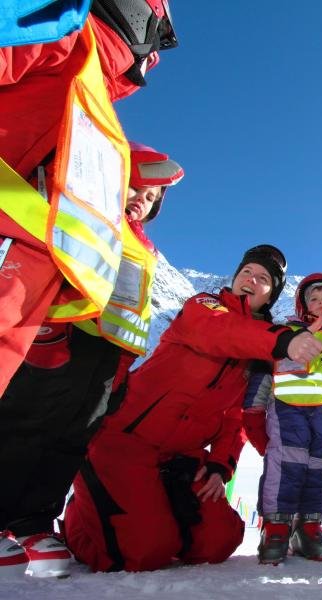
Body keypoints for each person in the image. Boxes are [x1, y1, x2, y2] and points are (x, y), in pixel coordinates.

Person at [61, 245, 322, 572]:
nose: (252, 280)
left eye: (263, 279)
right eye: (247, 272)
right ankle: (82, 517)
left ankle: (152, 512)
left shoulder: (260, 355)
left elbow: (237, 417)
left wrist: (219, 464)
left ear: (271, 295)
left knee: (219, 540)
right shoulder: (204, 306)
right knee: (143, 553)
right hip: (123, 441)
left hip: (180, 457)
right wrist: (283, 341)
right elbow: (217, 331)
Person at [0, 143, 183, 578]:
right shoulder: (85, 215)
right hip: (59, 337)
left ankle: (33, 524)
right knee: (24, 427)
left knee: (71, 439)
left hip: (106, 356)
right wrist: (46, 327)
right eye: (137, 188)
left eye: (153, 198)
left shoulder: (146, 248)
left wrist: (120, 369)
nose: (143, 199)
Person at [0, 0, 178, 395]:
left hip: (24, 304)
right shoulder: (62, 34)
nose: (156, 57)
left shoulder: (94, 103)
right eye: (160, 38)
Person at [242, 272, 322, 565]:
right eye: (315, 298)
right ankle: (275, 527)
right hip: (287, 412)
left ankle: (308, 528)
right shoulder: (285, 332)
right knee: (286, 465)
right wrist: (254, 413)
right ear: (302, 303)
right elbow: (263, 374)